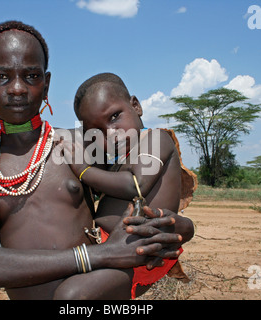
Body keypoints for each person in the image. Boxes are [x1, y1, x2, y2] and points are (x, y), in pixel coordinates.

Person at [0, 20, 193, 300]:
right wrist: (101, 254)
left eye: (31, 76)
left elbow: (142, 185)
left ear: (46, 86)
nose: (18, 88)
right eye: (1, 77)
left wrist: (181, 227)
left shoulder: (79, 142)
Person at [60, 72, 197, 299]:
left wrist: (84, 170)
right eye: (97, 132)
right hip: (113, 248)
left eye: (114, 117)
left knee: (74, 296)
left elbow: (136, 185)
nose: (111, 134)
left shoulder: (155, 139)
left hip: (140, 252)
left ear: (136, 106)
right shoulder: (118, 158)